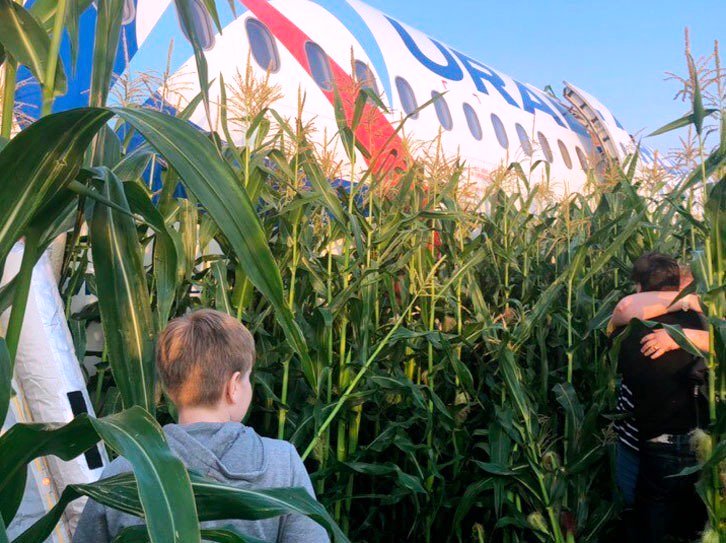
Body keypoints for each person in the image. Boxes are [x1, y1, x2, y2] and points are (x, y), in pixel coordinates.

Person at [73, 309, 330, 543]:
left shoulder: (124, 471)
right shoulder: (281, 464)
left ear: (168, 390)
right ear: (234, 386)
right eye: (249, 379)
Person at [609, 253, 707, 542]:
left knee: (647, 514)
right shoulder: (702, 324)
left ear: (639, 287)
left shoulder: (625, 328)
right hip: (698, 438)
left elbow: (624, 308)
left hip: (649, 440)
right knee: (694, 519)